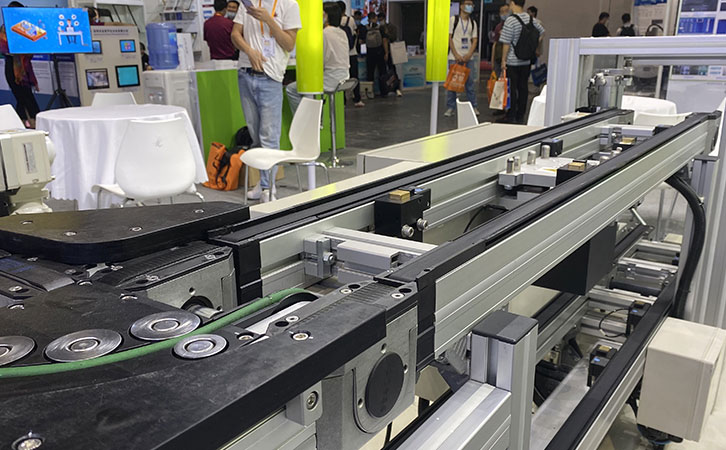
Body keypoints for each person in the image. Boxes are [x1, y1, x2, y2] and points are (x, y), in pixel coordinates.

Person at [231, 0, 301, 203]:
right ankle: (262, 183)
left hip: (270, 77)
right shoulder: (249, 3)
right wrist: (249, 50)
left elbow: (289, 44)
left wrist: (269, 20)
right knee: (255, 135)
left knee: (269, 136)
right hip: (245, 73)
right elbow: (235, 34)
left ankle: (268, 187)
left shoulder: (289, 5)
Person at [286, 3, 349, 114]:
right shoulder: (342, 33)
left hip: (329, 79)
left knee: (292, 89)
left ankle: (306, 119)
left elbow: (319, 61)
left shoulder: (323, 34)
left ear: (326, 16)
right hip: (344, 77)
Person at [498, 0, 545, 124]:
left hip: (512, 61)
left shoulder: (510, 20)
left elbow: (506, 43)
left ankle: (511, 115)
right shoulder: (531, 19)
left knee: (512, 89)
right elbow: (542, 32)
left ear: (513, 3)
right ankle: (521, 115)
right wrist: (532, 46)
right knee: (523, 87)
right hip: (526, 61)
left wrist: (503, 60)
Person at [0, 1, 40, 129]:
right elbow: (4, 49)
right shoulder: (4, 29)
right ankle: (30, 123)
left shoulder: (27, 26)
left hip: (25, 67)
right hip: (13, 67)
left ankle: (26, 124)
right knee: (22, 97)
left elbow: (39, 39)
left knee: (26, 96)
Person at [444, 0, 479, 117]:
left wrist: (469, 54)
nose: (470, 6)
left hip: (468, 57)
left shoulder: (473, 23)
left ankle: (473, 106)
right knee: (453, 84)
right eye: (468, 4)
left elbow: (474, 40)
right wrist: (456, 54)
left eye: (471, 5)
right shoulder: (453, 20)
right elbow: (449, 38)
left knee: (470, 83)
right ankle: (451, 107)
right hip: (454, 57)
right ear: (461, 6)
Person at [338, 1, 364, 107]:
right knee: (354, 77)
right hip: (352, 53)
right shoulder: (351, 20)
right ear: (345, 9)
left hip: (340, 55)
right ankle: (357, 99)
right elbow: (355, 34)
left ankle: (342, 101)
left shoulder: (335, 22)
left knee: (341, 79)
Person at [378, 11, 402, 97]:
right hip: (381, 52)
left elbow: (393, 38)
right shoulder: (378, 28)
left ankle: (396, 88)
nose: (380, 21)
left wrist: (387, 33)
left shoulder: (391, 27)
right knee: (383, 72)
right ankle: (385, 90)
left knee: (392, 70)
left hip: (391, 51)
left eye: (381, 19)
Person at [365, 12, 386, 97]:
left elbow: (361, 41)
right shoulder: (380, 28)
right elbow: (384, 40)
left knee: (370, 73)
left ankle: (370, 92)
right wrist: (386, 52)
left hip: (370, 53)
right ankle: (383, 92)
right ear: (375, 18)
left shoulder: (365, 28)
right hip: (379, 52)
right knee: (382, 72)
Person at [491, 3, 509, 78]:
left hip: (510, 59)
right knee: (498, 80)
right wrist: (492, 61)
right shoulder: (498, 27)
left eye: (506, 11)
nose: (504, 14)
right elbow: (495, 44)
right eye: (502, 12)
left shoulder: (513, 25)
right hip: (498, 58)